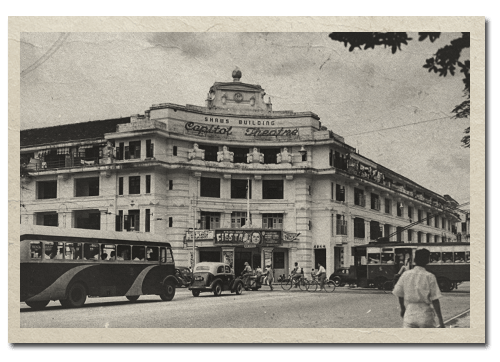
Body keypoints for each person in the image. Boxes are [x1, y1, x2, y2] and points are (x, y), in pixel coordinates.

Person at [392, 248, 445, 328]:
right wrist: (441, 321)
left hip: (409, 314)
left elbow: (399, 293)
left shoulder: (405, 275)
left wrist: (402, 308)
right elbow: (435, 299)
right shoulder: (430, 276)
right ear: (427, 260)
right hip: (425, 314)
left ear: (414, 260)